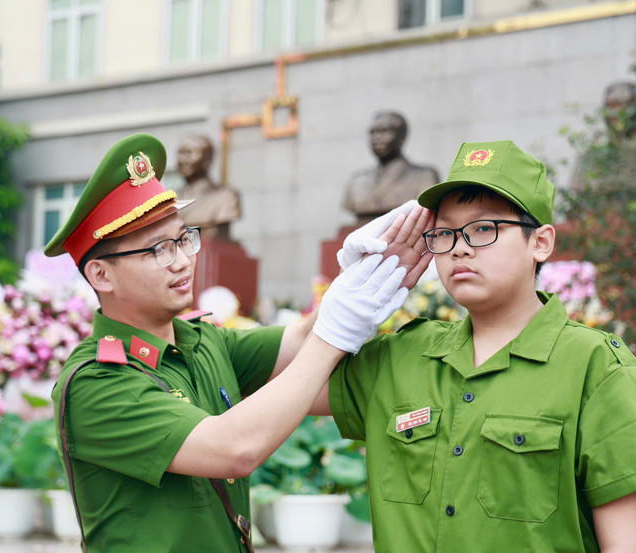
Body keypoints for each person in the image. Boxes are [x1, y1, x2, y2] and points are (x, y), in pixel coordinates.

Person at [44, 133, 433, 552]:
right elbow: (234, 449)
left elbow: (301, 339)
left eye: (182, 239)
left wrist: (360, 275)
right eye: (157, 250)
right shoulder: (96, 383)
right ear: (102, 275)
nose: (181, 260)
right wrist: (336, 329)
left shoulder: (201, 341)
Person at [318, 140, 636, 552]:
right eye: (445, 232)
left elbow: (630, 546)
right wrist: (338, 310)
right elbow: (273, 385)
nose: (459, 246)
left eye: (483, 228)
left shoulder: (596, 368)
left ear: (541, 243)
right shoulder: (399, 358)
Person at [343, 111, 440, 226]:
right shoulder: (357, 181)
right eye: (373, 133)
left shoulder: (425, 176)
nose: (377, 138)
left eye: (385, 131)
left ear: (402, 137)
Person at [174, 134, 241, 241]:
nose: (182, 160)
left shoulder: (226, 197)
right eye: (180, 153)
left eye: (189, 153)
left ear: (207, 159)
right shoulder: (173, 198)